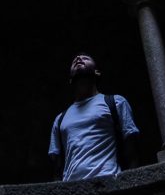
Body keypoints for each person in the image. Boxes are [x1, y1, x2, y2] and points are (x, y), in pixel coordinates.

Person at [48, 53, 140, 181]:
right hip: (71, 190)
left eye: (85, 58)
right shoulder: (60, 119)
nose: (78, 59)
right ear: (70, 78)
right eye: (75, 60)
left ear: (97, 72)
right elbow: (56, 165)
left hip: (108, 182)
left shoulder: (116, 102)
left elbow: (131, 148)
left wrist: (130, 184)